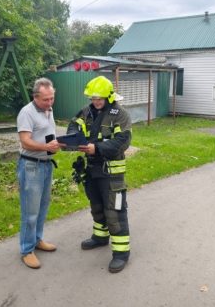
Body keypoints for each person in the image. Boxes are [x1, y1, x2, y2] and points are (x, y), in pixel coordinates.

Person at [67, 75, 132, 273]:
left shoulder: (119, 114)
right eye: (93, 98)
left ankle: (121, 253)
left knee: (115, 211)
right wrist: (72, 140)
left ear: (109, 97)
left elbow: (123, 141)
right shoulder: (86, 112)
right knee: (96, 206)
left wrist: (97, 148)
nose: (95, 102)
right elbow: (73, 126)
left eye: (99, 99)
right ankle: (100, 237)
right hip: (91, 170)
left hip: (112, 173)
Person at [16, 77, 62, 269]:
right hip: (31, 166)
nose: (50, 103)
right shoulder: (26, 113)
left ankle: (37, 240)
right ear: (36, 97)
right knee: (30, 211)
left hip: (46, 164)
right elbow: (25, 141)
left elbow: (47, 133)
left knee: (43, 207)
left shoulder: (48, 110)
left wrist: (58, 144)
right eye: (46, 99)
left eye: (52, 98)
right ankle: (27, 250)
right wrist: (45, 146)